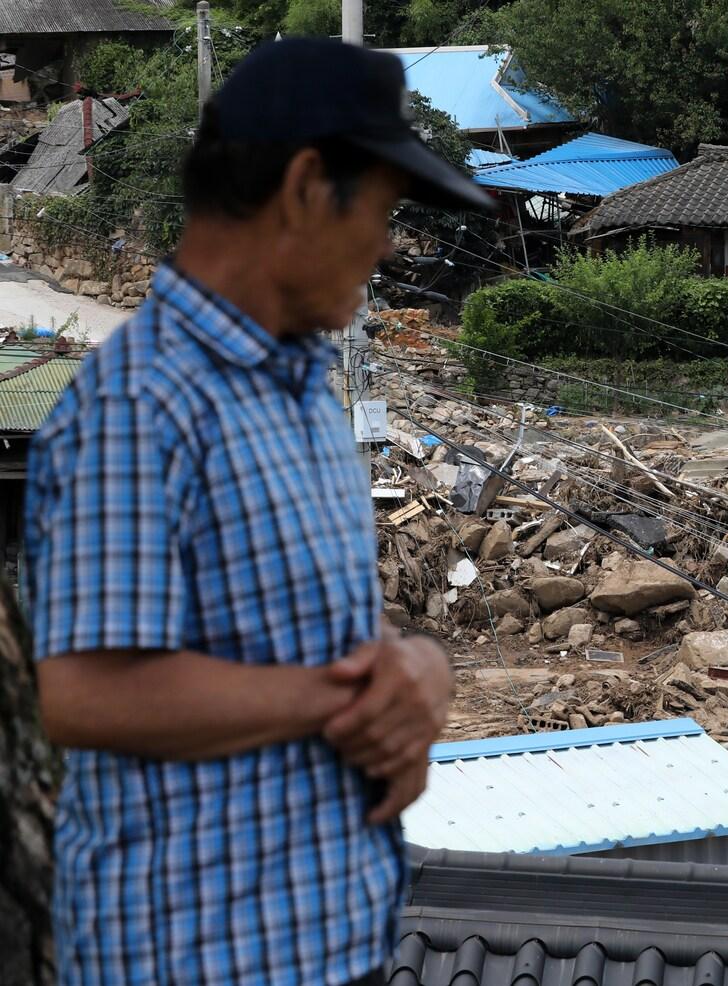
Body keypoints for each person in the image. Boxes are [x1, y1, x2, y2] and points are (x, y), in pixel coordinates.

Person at [24, 39, 489, 986]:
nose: (390, 246)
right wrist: (352, 705)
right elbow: (86, 693)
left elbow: (325, 628)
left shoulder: (303, 387)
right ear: (310, 189)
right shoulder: (141, 403)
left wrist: (421, 670)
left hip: (330, 943)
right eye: (387, 212)